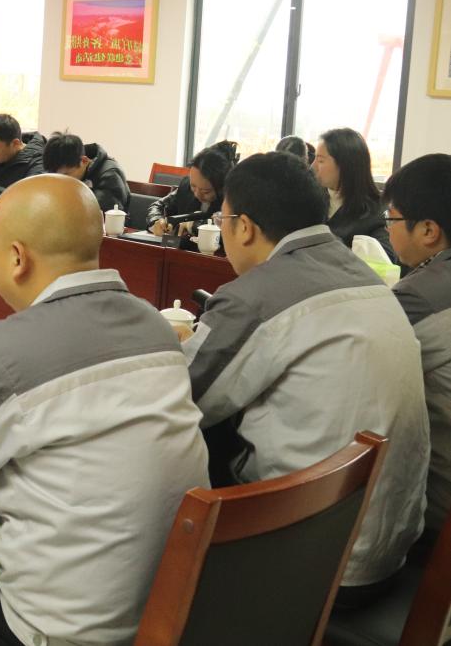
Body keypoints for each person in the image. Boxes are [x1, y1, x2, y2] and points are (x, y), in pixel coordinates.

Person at [0, 174, 208, 645]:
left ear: (17, 258)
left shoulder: (9, 351)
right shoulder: (155, 326)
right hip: (162, 611)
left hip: (57, 630)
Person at [183, 151, 427, 603]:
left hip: (313, 563)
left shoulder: (254, 296)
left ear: (244, 226)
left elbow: (183, 400)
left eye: (223, 218)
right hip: (387, 548)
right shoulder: (364, 275)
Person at [383, 154, 451, 537]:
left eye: (391, 219)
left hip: (438, 509)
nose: (387, 229)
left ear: (428, 230)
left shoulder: (417, 297)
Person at [314, 127, 397, 263]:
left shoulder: (377, 211)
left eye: (320, 161)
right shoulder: (312, 198)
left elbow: (384, 260)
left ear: (345, 164)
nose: (313, 166)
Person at [148, 140, 238, 248]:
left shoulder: (233, 199)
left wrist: (194, 226)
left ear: (222, 187)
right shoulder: (186, 186)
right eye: (193, 187)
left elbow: (233, 231)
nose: (197, 194)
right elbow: (158, 205)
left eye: (205, 191)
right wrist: (157, 220)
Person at [41, 132, 131, 212]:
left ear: (84, 161)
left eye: (66, 175)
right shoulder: (70, 167)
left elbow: (98, 214)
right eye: (55, 175)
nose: (60, 181)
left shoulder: (110, 174)